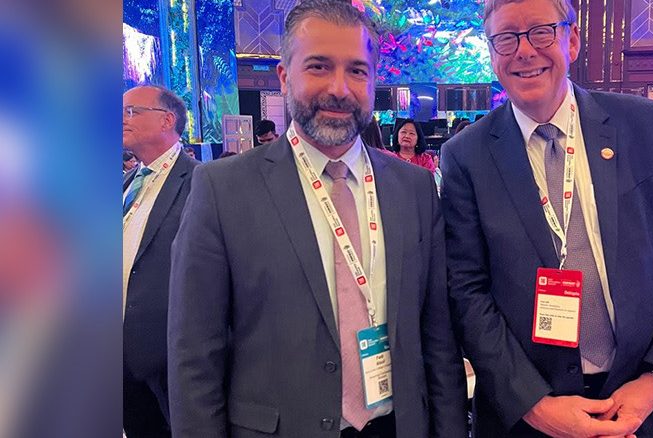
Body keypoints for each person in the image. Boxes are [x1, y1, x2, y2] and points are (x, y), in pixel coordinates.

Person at [167, 1, 467, 437]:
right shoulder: (222, 189)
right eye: (319, 67)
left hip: (398, 425)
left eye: (357, 71)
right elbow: (195, 354)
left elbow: (438, 337)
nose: (339, 88)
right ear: (284, 76)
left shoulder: (415, 189)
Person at [439, 0, 653, 437]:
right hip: (528, 416)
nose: (524, 50)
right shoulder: (466, 156)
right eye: (506, 38)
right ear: (491, 52)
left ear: (573, 39)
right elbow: (466, 292)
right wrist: (533, 404)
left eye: (541, 31)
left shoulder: (644, 126)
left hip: (640, 406)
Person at [122, 85, 199, 437]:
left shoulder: (200, 181)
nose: (121, 119)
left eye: (131, 111)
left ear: (167, 120)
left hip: (167, 358)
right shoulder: (127, 182)